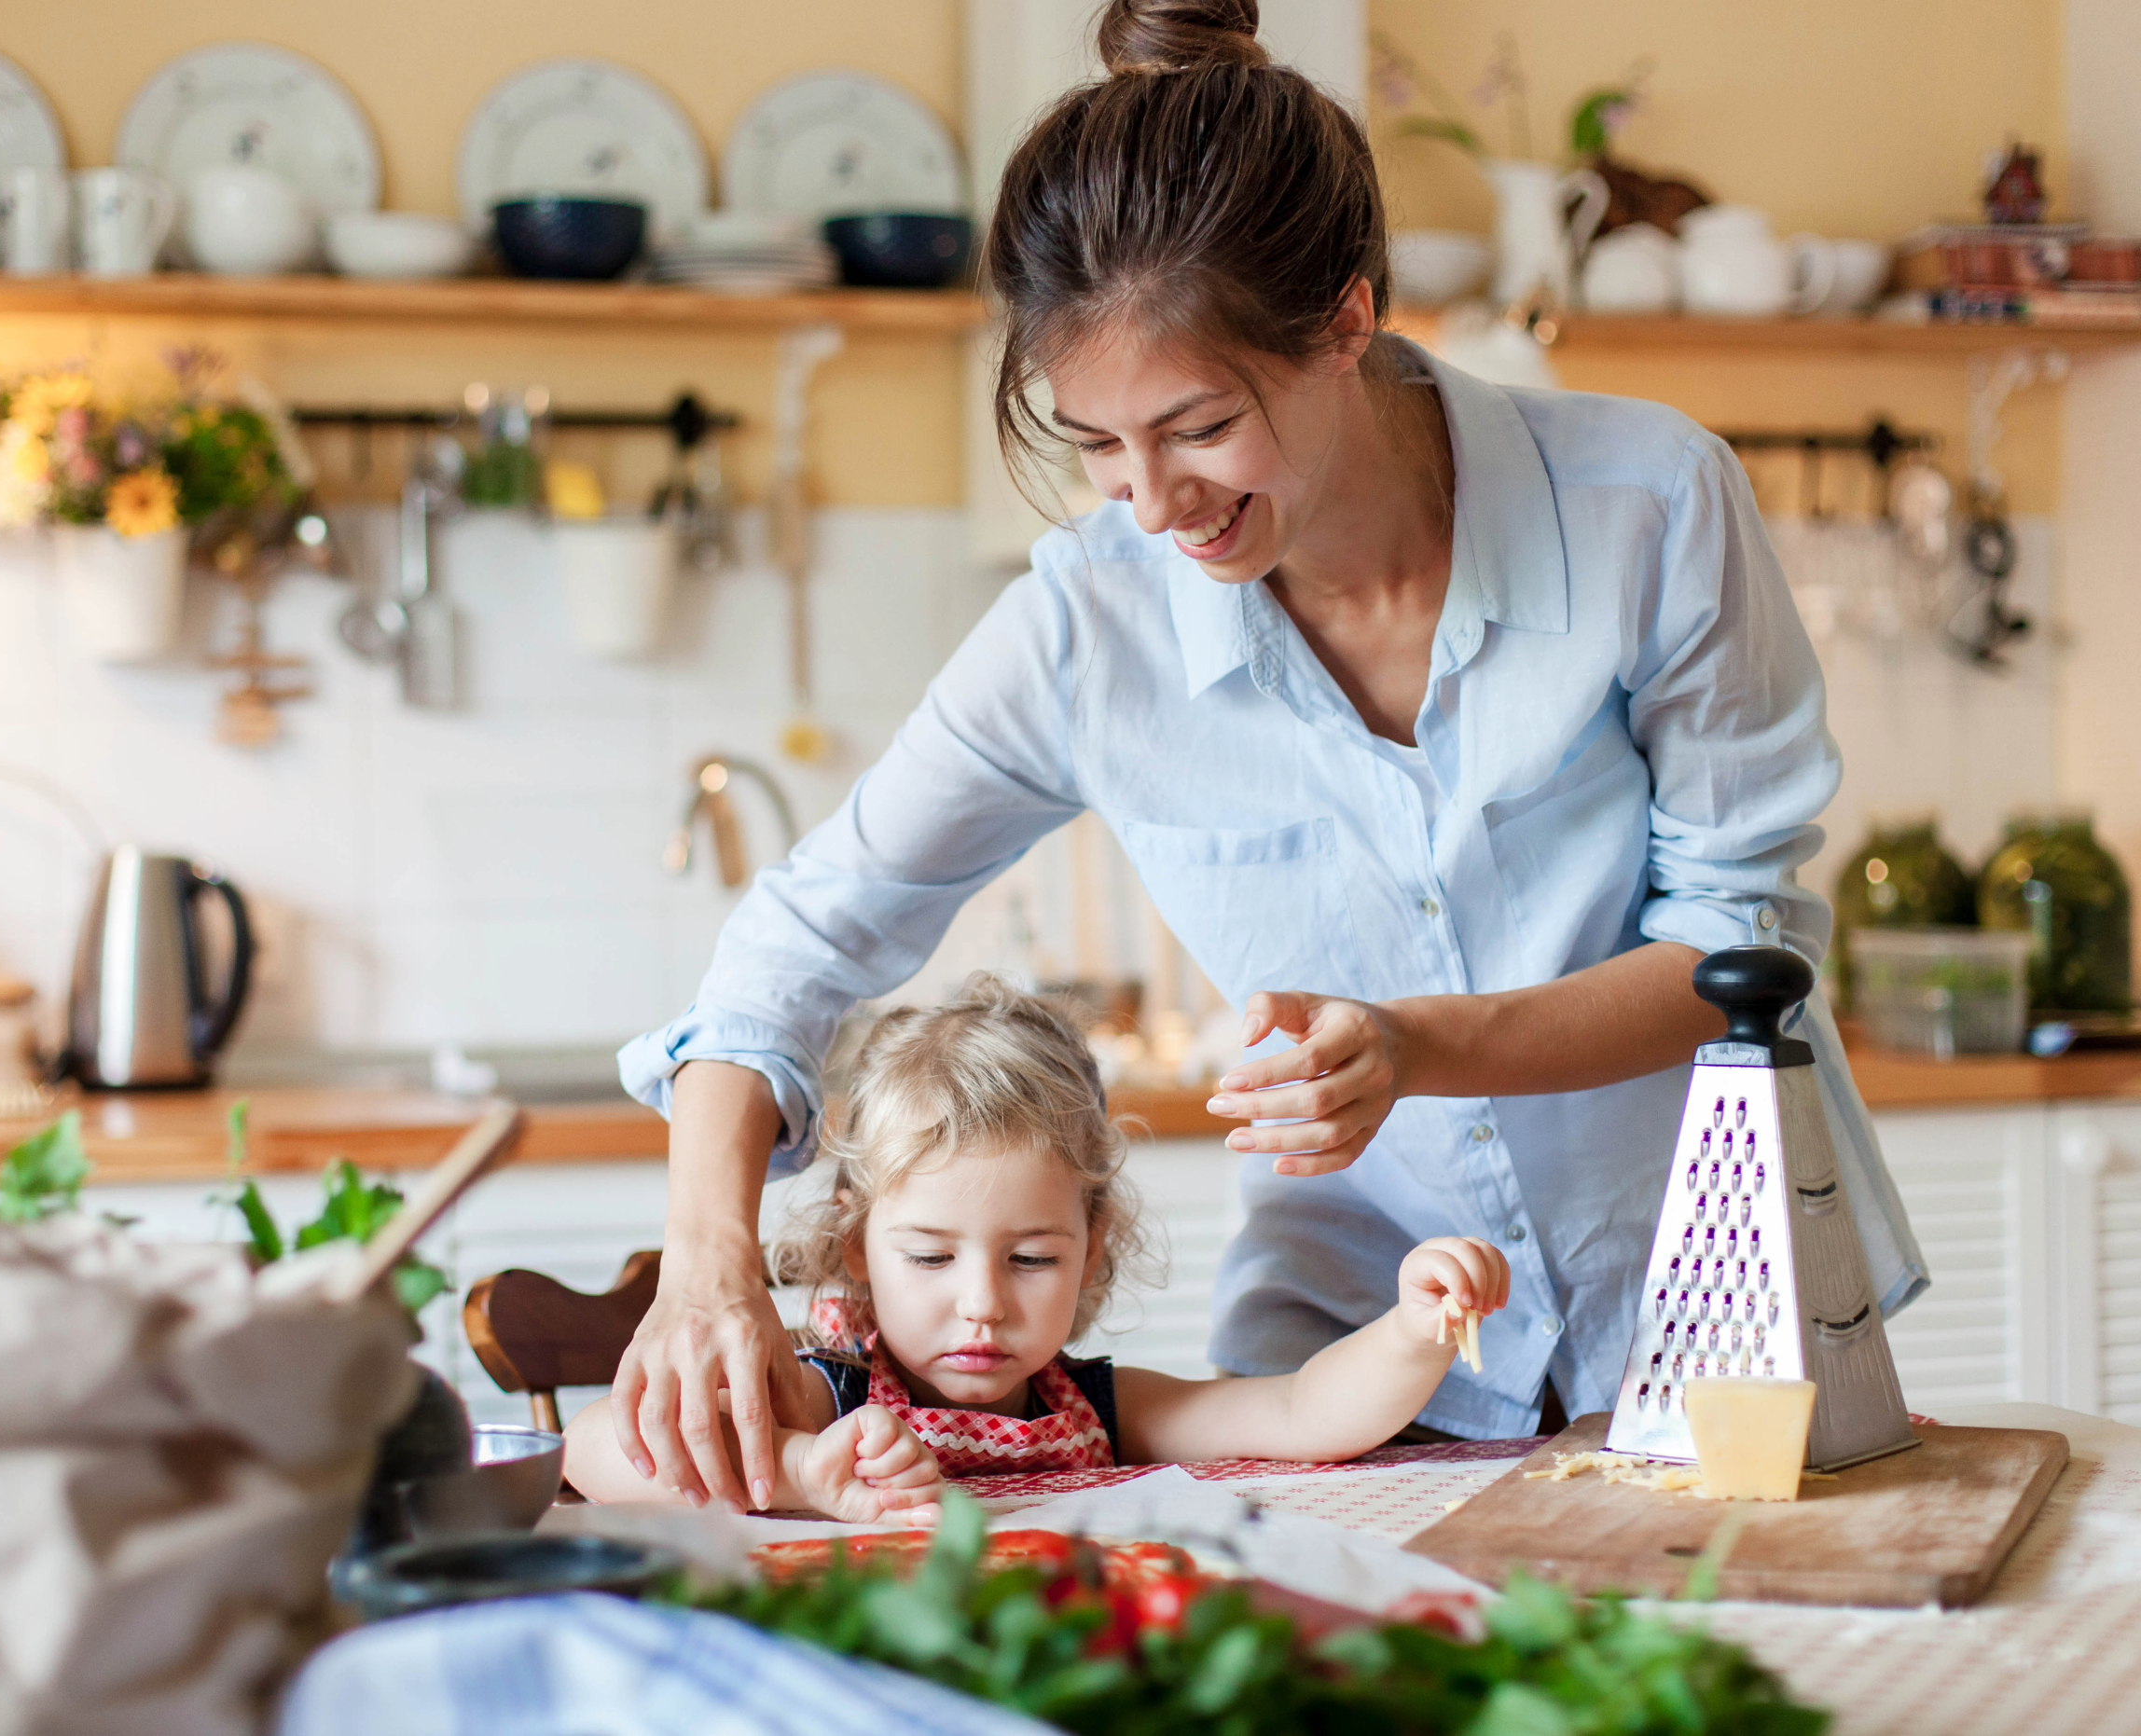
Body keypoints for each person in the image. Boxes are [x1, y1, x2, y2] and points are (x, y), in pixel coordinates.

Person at [611, 0, 1925, 1515]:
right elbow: (801, 937)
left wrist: (1422, 1044)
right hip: (1361, 1378)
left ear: (1346, 320)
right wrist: (708, 1261)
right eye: (1095, 441)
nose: (1151, 501)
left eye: (1199, 425)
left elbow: (1739, 951)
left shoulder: (1650, 507)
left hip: (1723, 1327)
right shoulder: (1091, 627)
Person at [567, 981, 1511, 1520]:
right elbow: (593, 1445)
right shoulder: (824, 1397)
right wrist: (801, 1469)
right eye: (931, 1258)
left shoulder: (1098, 1406)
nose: (982, 1301)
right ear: (857, 1247)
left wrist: (1416, 1326)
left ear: (1093, 1248)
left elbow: (1306, 1412)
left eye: (1031, 1259)